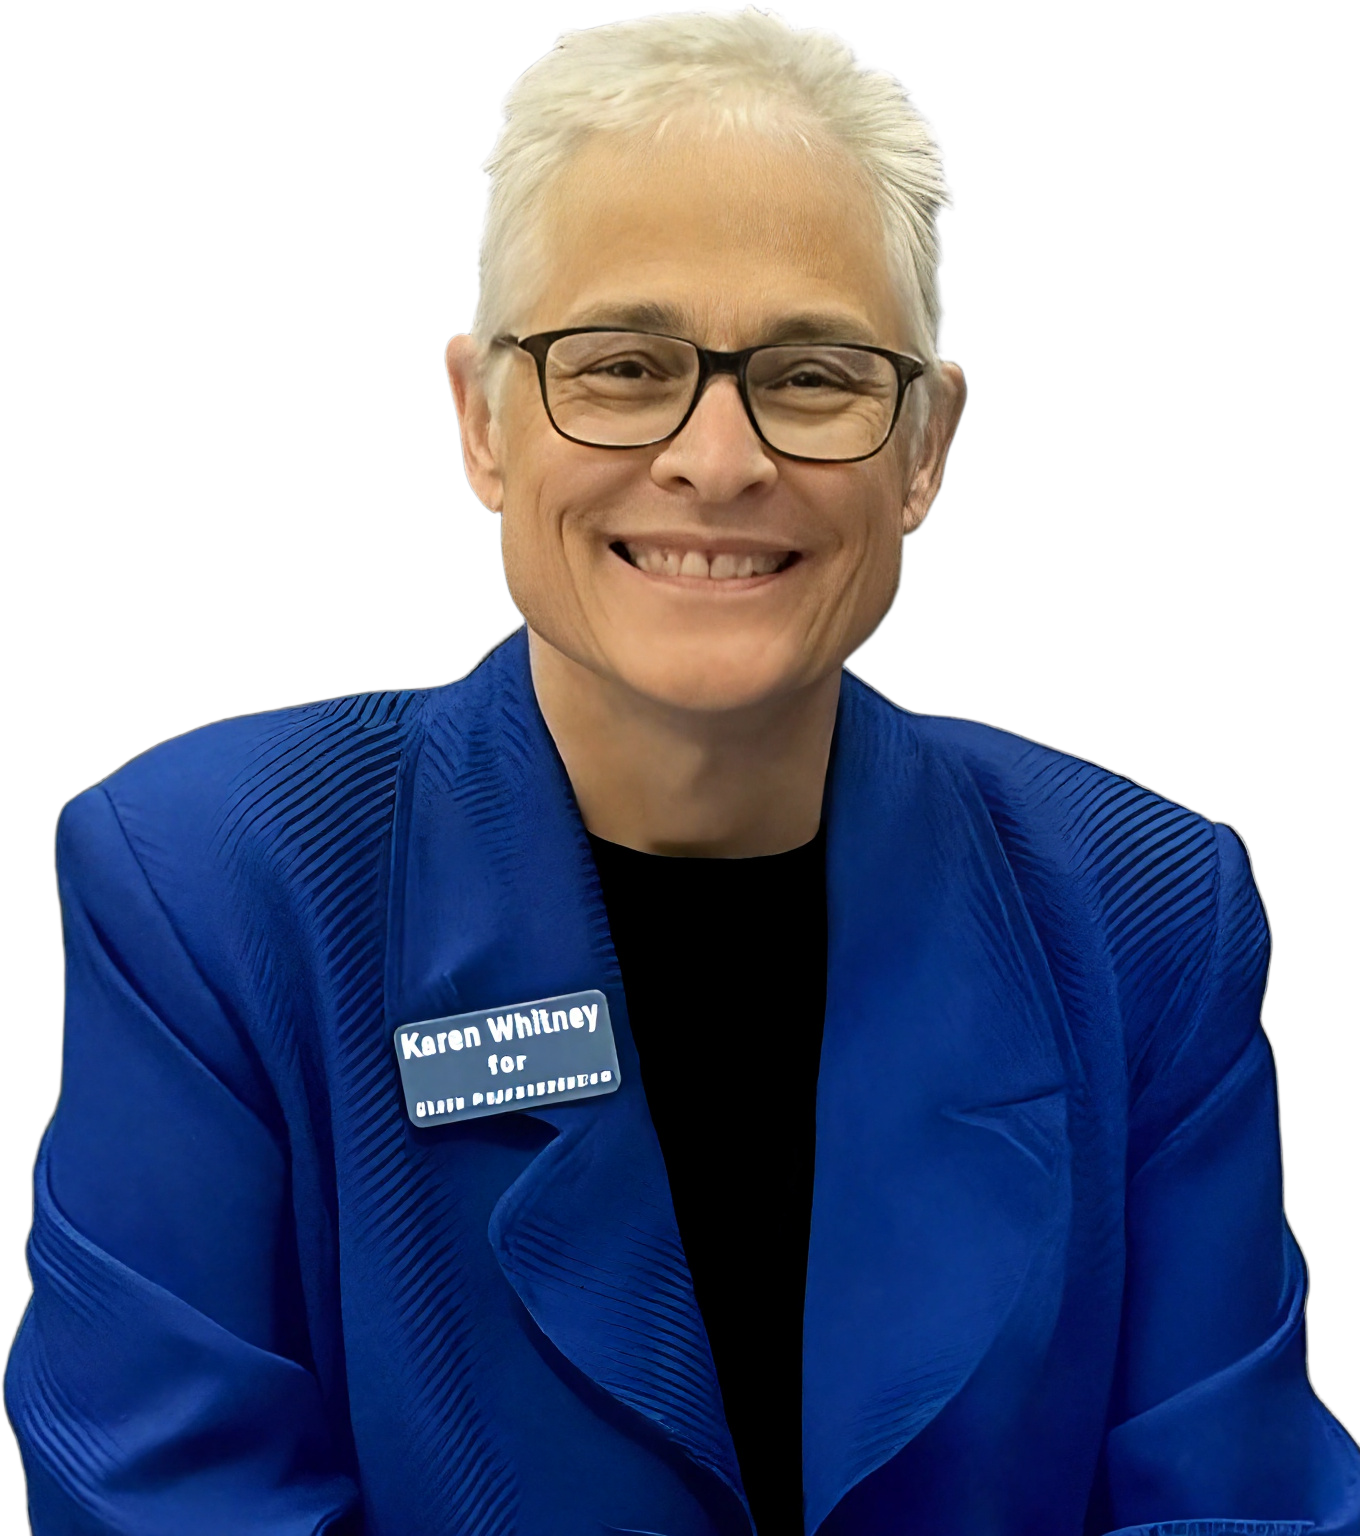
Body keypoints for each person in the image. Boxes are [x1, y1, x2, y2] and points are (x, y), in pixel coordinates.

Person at [7, 9, 1357, 1534]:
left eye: (816, 376)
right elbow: (169, 1503)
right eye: (627, 365)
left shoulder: (1147, 911)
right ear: (482, 421)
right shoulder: (207, 881)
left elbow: (1236, 1504)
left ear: (924, 449)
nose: (719, 459)